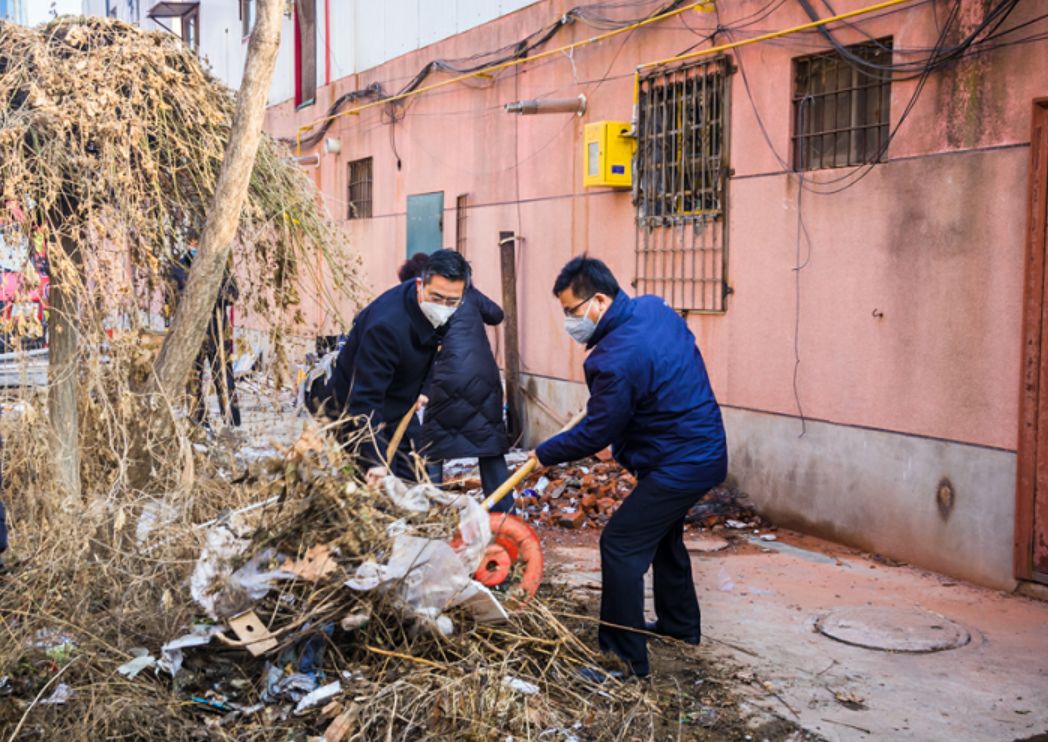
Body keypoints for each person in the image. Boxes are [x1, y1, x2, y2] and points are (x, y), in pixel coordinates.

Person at [531, 256, 727, 679]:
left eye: (572, 311)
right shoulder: (654, 308)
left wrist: (542, 453)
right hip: (701, 449)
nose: (569, 322)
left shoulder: (614, 359)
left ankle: (623, 659)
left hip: (681, 463)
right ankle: (679, 626)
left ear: (600, 300)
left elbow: (595, 433)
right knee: (659, 536)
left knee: (620, 544)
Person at [307, 249, 470, 483]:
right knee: (374, 494)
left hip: (400, 405)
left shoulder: (444, 308)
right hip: (357, 416)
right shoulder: (386, 328)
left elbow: (436, 348)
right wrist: (373, 459)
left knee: (413, 478)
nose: (443, 306)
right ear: (419, 286)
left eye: (452, 301)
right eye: (436, 298)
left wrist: (424, 389)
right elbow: (364, 399)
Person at [396, 253, 512, 513]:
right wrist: (471, 290)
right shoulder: (469, 294)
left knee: (433, 448)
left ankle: (431, 514)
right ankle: (505, 515)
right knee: (490, 448)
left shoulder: (422, 303)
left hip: (444, 380)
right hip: (485, 379)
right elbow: (496, 314)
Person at [171, 250, 241, 428]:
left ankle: (232, 420)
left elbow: (233, 294)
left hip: (218, 330)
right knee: (194, 378)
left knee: (225, 376)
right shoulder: (179, 268)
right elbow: (178, 295)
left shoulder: (219, 267)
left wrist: (217, 294)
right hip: (192, 333)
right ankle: (199, 422)